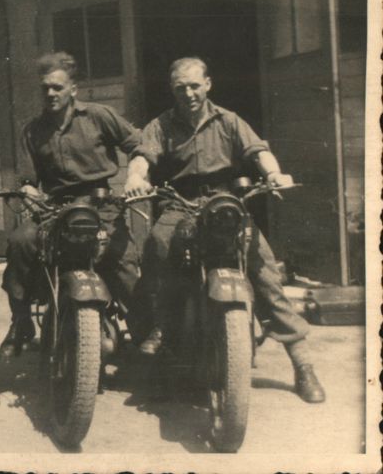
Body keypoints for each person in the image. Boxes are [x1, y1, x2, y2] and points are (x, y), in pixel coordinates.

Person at [124, 56, 325, 403]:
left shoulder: (229, 120)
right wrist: (134, 177)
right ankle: (160, 326)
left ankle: (302, 364)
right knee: (157, 244)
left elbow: (259, 151)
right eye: (180, 87)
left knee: (263, 269)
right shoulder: (161, 125)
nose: (188, 93)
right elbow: (143, 156)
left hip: (225, 202)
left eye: (194, 85)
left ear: (208, 84)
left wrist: (274, 173)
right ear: (172, 89)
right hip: (180, 202)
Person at [0, 52, 145, 360]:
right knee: (20, 242)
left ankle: (144, 329)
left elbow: (138, 144)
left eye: (57, 87)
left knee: (123, 260)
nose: (51, 94)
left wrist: (137, 173)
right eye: (45, 88)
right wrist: (28, 191)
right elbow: (27, 179)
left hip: (101, 204)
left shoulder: (98, 115)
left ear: (73, 89)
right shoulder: (32, 131)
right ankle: (21, 322)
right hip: (56, 208)